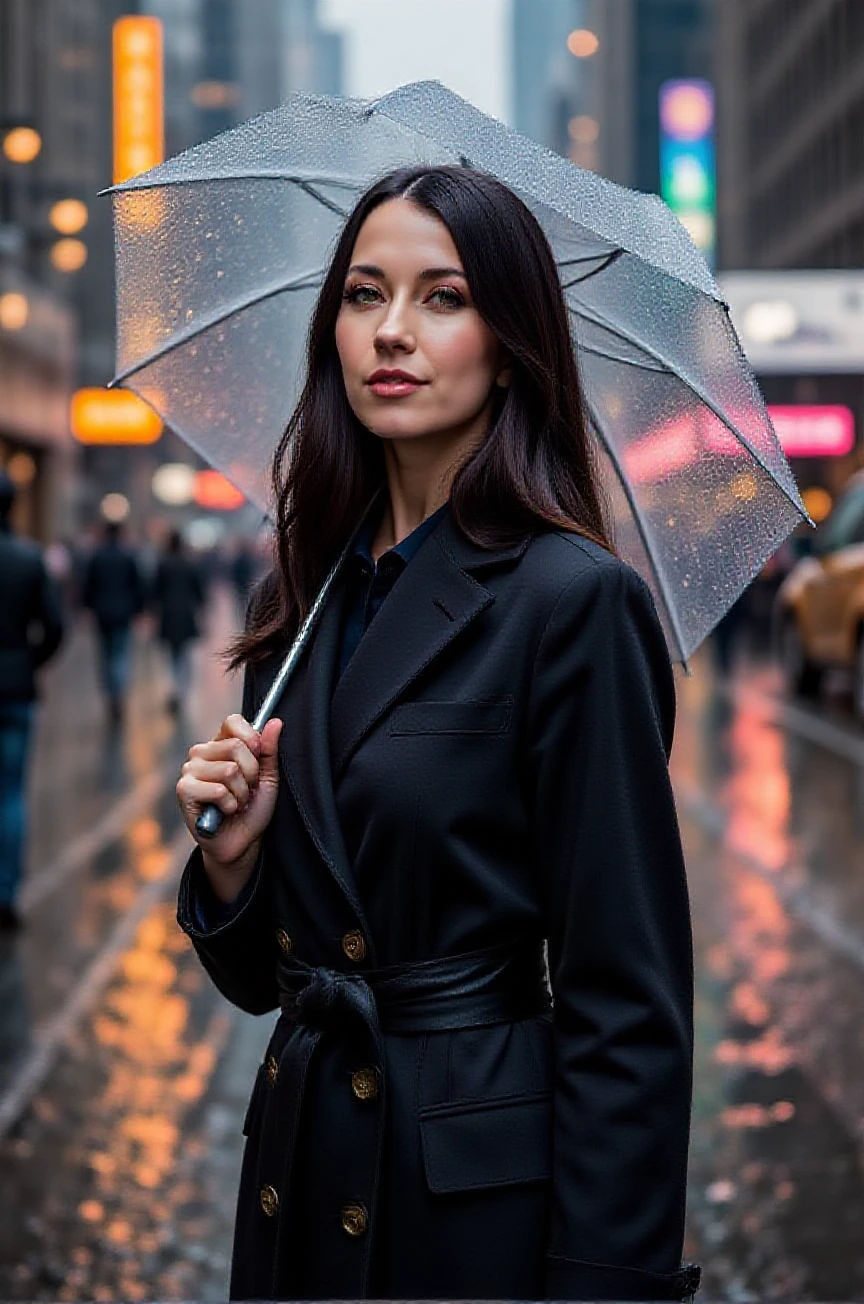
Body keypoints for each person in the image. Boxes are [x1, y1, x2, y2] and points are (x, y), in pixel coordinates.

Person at [176, 166, 700, 1302]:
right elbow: (273, 977)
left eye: (444, 297)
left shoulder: (573, 601)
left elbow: (627, 1001)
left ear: (510, 342)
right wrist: (235, 859)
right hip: (303, 1166)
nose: (393, 331)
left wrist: (605, 1283)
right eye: (364, 295)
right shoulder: (310, 596)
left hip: (464, 1205)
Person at [0, 472, 64, 930]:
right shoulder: (28, 559)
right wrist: (29, 661)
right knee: (10, 795)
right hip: (16, 690)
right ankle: (6, 893)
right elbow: (54, 626)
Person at [82, 520, 144, 723]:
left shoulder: (97, 556)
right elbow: (137, 585)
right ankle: (118, 692)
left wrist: (88, 607)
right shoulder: (128, 556)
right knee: (120, 655)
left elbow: (88, 585)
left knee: (106, 655)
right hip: (123, 613)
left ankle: (111, 692)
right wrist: (138, 610)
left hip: (102, 613)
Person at [150, 529, 205, 713]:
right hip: (185, 615)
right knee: (184, 655)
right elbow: (198, 592)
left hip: (168, 615)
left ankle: (174, 688)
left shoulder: (162, 565)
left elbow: (154, 591)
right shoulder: (189, 564)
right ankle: (182, 690)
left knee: (172, 655)